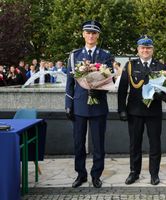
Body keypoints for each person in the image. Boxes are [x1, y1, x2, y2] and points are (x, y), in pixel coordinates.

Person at [65, 20, 113, 188]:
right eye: (88, 32)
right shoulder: (74, 55)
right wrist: (68, 105)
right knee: (78, 143)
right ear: (83, 34)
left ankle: (96, 175)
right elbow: (70, 83)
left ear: (98, 36)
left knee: (98, 144)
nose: (91, 35)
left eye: (94, 33)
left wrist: (98, 91)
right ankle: (81, 174)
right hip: (79, 106)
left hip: (98, 105)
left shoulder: (105, 55)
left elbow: (109, 80)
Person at [117, 35, 166, 185]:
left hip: (153, 112)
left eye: (148, 48)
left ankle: (154, 174)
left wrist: (163, 95)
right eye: (142, 48)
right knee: (135, 144)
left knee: (155, 144)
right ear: (138, 49)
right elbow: (122, 90)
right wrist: (121, 109)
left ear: (152, 50)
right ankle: (134, 172)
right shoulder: (130, 66)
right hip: (134, 111)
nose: (145, 50)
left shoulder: (160, 66)